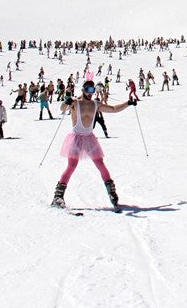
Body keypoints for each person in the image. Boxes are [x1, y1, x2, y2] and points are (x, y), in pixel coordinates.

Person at [51, 78, 136, 209]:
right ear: (83, 90)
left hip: (89, 137)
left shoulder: (95, 104)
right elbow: (63, 108)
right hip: (76, 138)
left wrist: (128, 103)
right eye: (88, 90)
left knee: (100, 164)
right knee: (72, 166)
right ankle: (58, 196)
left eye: (93, 90)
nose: (91, 93)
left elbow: (113, 109)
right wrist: (65, 101)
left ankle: (112, 193)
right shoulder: (75, 102)